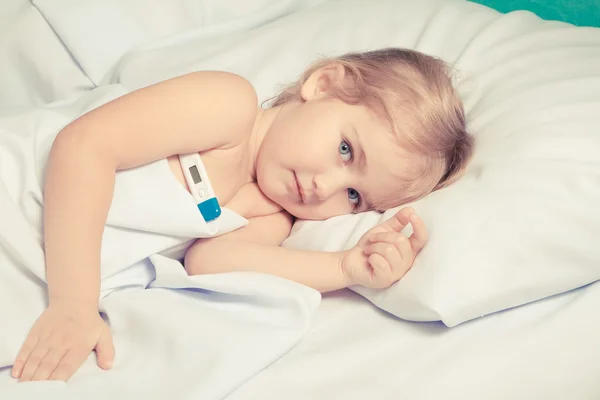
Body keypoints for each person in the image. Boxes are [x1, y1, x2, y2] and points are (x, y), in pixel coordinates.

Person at [11, 48, 473, 382]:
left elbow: (209, 262)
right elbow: (83, 147)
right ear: (324, 85)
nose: (324, 187)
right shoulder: (229, 108)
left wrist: (346, 267)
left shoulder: (273, 215)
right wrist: (74, 304)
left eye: (354, 197)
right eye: (346, 150)